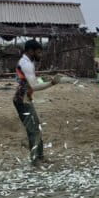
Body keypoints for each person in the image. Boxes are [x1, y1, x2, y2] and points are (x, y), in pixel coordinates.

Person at [14, 39, 59, 167]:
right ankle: (36, 160)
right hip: (23, 100)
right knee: (34, 130)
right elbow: (34, 86)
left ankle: (39, 157)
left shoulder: (25, 61)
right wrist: (52, 83)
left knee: (35, 129)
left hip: (23, 98)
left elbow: (29, 82)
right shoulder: (27, 64)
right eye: (38, 52)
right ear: (30, 51)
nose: (40, 55)